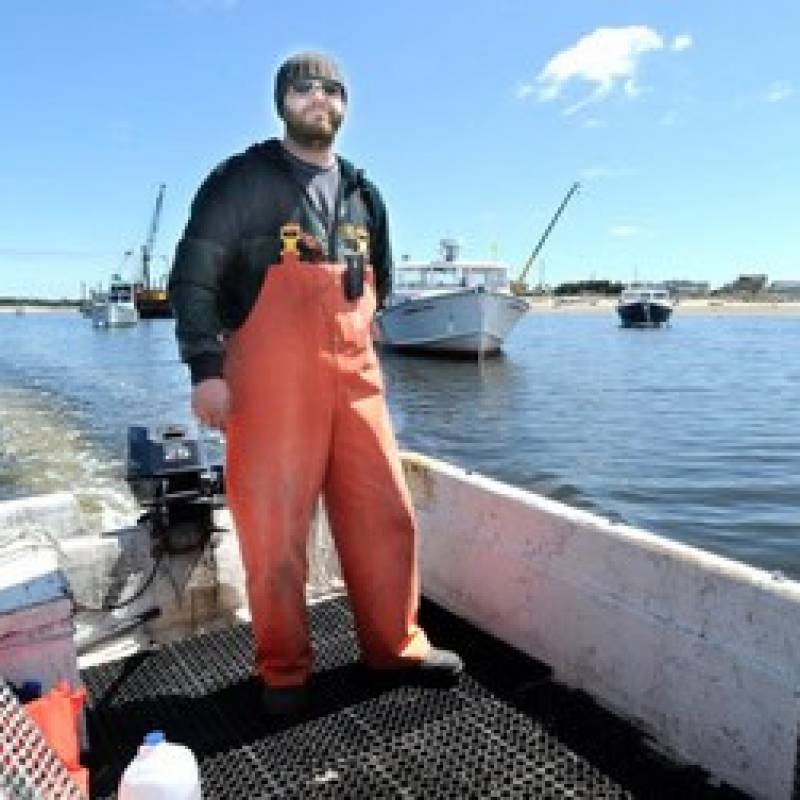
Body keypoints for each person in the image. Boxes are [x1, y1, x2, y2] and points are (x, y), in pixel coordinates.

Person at [168, 51, 462, 715]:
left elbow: (379, 281)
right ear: (282, 101)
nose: (320, 99)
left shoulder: (364, 192)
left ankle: (396, 646)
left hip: (356, 379)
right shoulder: (239, 180)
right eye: (304, 88)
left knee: (384, 512)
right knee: (273, 528)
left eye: (333, 90)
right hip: (270, 382)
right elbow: (194, 277)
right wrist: (206, 372)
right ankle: (283, 670)